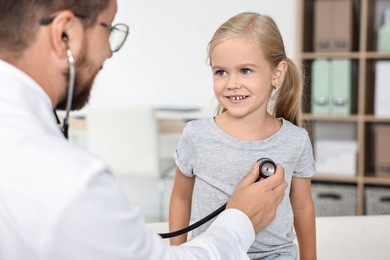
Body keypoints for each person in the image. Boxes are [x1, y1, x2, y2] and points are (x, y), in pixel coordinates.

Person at [0, 1, 288, 259]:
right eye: (108, 27)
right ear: (65, 34)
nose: (110, 51)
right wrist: (240, 219)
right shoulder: (70, 183)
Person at [169, 12, 317, 260]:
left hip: (275, 255)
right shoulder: (196, 135)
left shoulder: (295, 140)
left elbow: (303, 208)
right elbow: (180, 197)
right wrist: (175, 253)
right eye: (221, 72)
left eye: (245, 70)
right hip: (215, 253)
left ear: (276, 74)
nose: (231, 83)